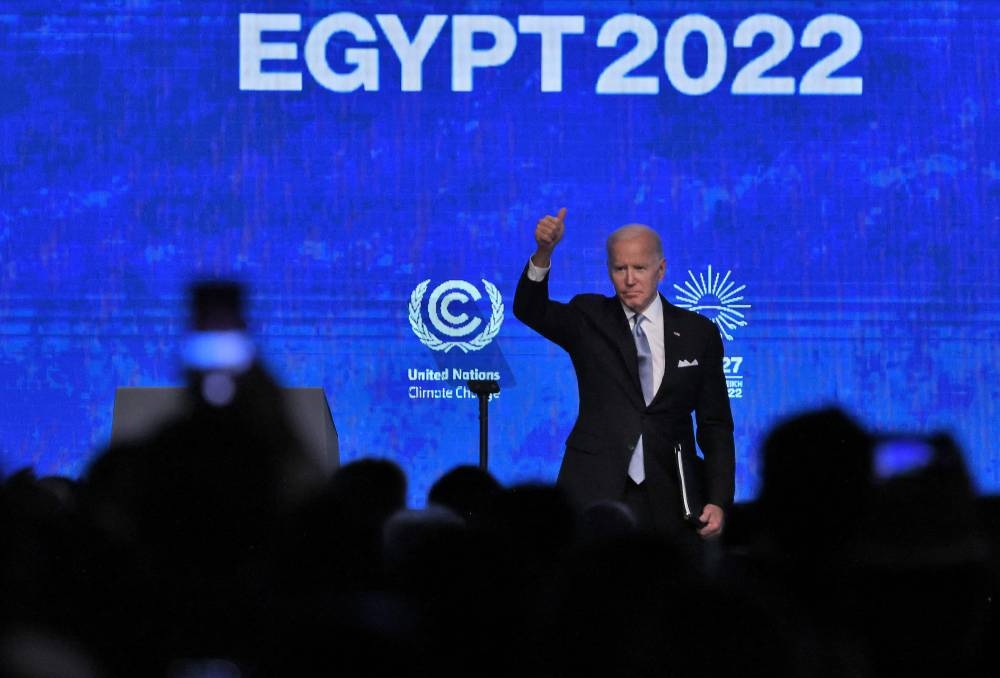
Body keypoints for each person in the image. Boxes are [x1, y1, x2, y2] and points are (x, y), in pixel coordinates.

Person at [513, 207, 735, 549]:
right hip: (594, 485)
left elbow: (715, 423)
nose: (629, 279)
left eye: (640, 268)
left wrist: (719, 499)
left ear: (661, 269)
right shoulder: (589, 316)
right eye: (620, 269)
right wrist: (544, 253)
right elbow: (530, 309)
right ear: (609, 270)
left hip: (672, 491)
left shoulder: (697, 332)